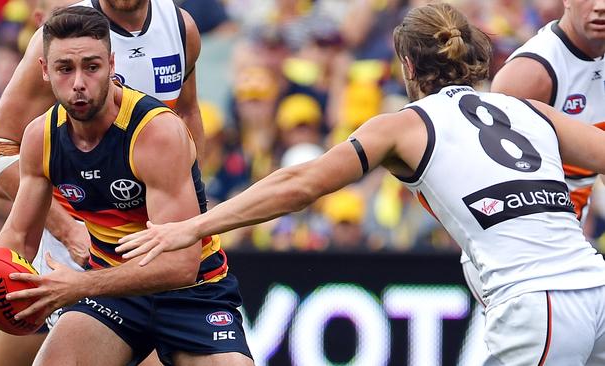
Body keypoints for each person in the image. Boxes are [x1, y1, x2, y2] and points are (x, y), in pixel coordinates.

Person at [116, 3, 605, 364]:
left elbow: (299, 184)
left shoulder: (402, 125)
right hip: (596, 284)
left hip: (536, 302)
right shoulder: (529, 109)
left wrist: (193, 226)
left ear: (408, 67)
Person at [0, 7, 252, 366]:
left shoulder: (157, 132)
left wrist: (79, 286)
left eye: (92, 67)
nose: (79, 83)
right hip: (110, 288)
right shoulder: (41, 136)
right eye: (65, 69)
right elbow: (18, 235)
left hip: (190, 291)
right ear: (44, 71)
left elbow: (179, 266)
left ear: (112, 65)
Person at [457, 0, 605, 309]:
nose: (600, 6)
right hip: (520, 259)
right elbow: (484, 179)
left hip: (569, 250)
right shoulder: (532, 72)